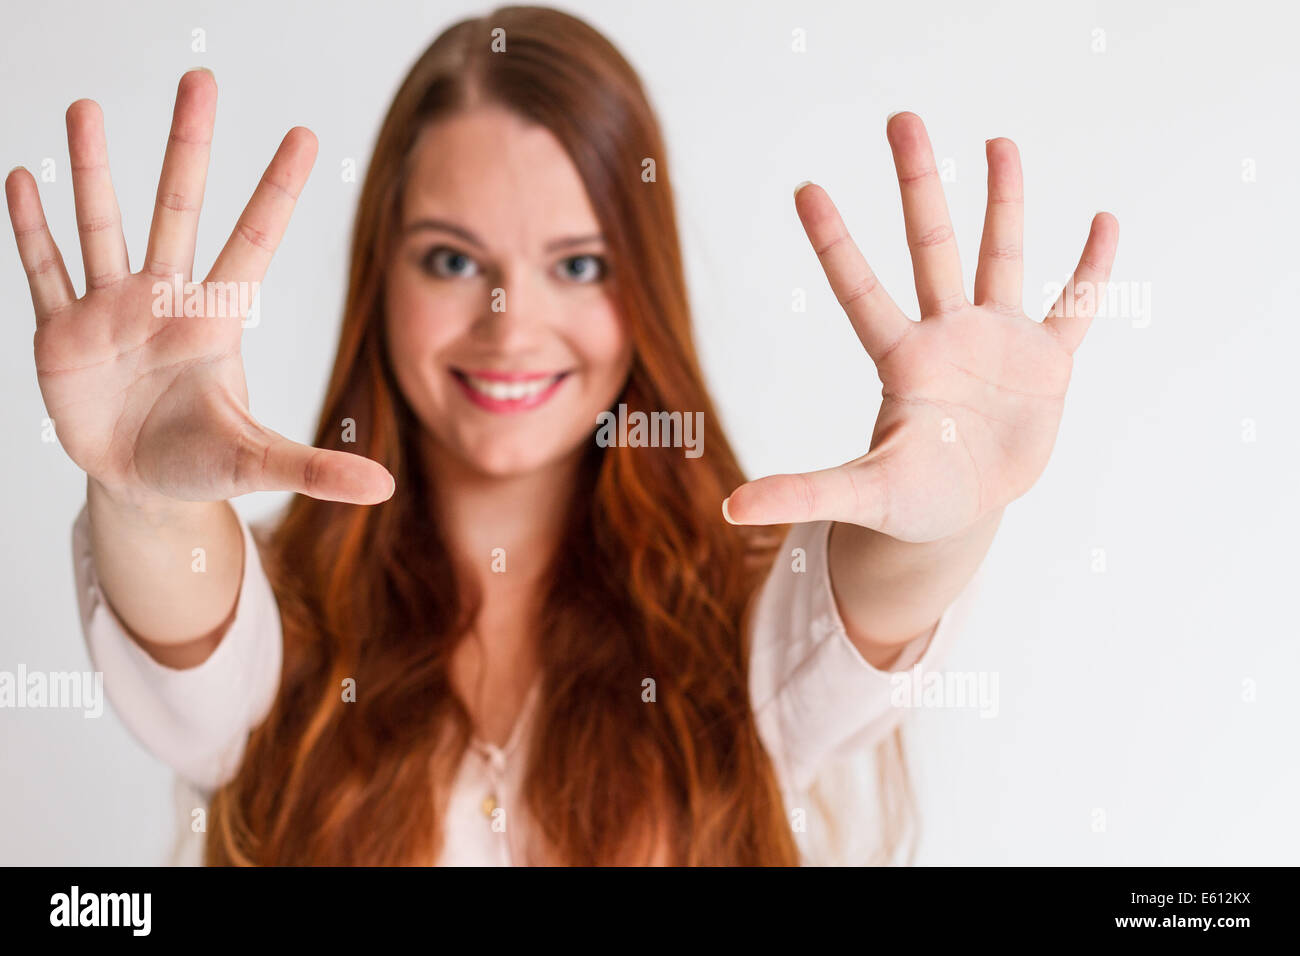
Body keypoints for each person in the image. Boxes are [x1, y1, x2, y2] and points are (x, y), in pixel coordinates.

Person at [4, 6, 1117, 865]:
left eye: (576, 264)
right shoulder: (286, 637)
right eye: (451, 258)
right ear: (378, 278)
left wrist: (957, 516)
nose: (509, 324)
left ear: (643, 288)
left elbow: (872, 595)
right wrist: (142, 494)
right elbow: (183, 612)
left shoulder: (730, 640)